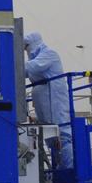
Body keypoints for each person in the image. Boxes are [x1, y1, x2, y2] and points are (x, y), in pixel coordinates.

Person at [24, 32, 74, 169]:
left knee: (62, 135)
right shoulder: (37, 58)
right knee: (51, 138)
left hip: (55, 100)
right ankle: (59, 168)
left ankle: (69, 169)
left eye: (26, 47)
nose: (26, 51)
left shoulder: (49, 54)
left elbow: (30, 67)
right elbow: (24, 72)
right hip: (44, 101)